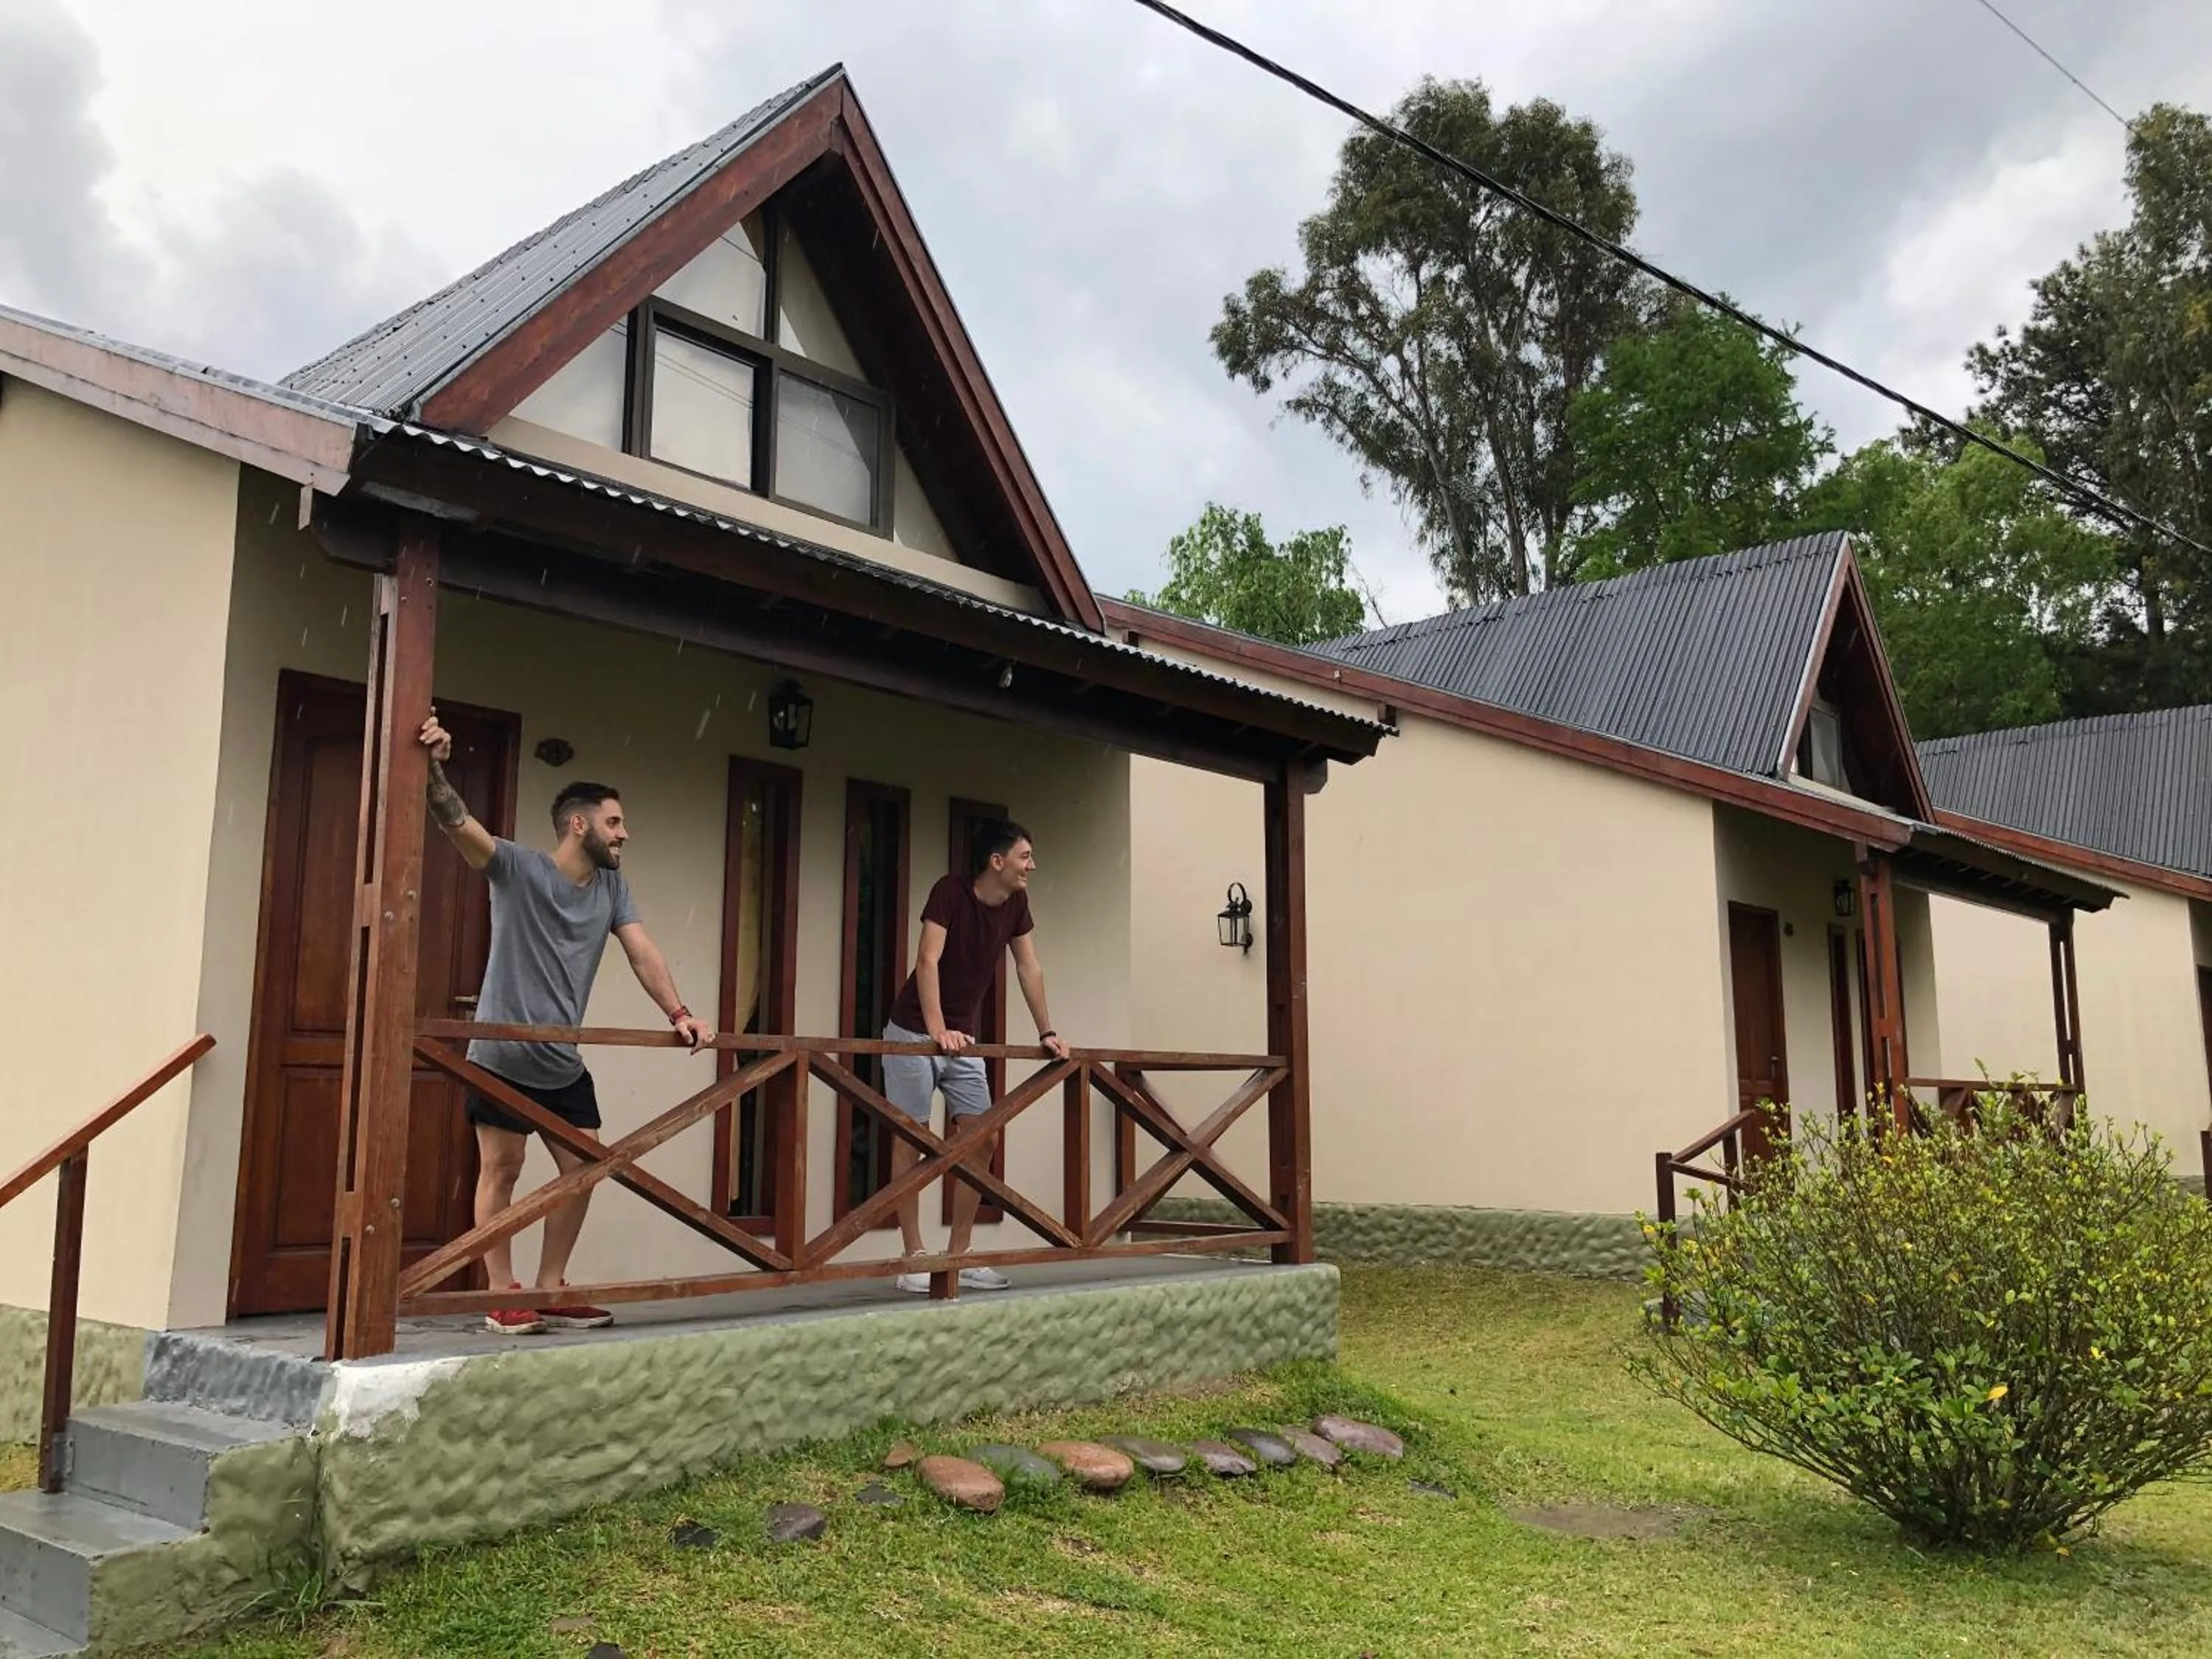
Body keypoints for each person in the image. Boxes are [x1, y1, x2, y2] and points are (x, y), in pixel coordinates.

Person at [419, 711, 713, 1335]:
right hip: (501, 1057)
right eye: (615, 822)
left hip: (561, 1064)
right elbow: (455, 821)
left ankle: (551, 1287)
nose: (624, 834)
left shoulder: (612, 889)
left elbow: (641, 951)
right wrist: (433, 768)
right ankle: (500, 1292)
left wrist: (680, 1014)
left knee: (585, 1168)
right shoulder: (519, 870)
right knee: (501, 1170)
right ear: (579, 825)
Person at [880, 817, 1071, 1293]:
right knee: (911, 1138)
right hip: (911, 1032)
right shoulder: (950, 891)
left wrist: (1047, 1030)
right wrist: (936, 1028)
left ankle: (960, 1256)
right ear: (997, 861)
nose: (1032, 865)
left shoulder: (1016, 904)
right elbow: (927, 959)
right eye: (1025, 856)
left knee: (982, 1137)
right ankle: (913, 1258)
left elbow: (1029, 967)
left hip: (961, 1040)